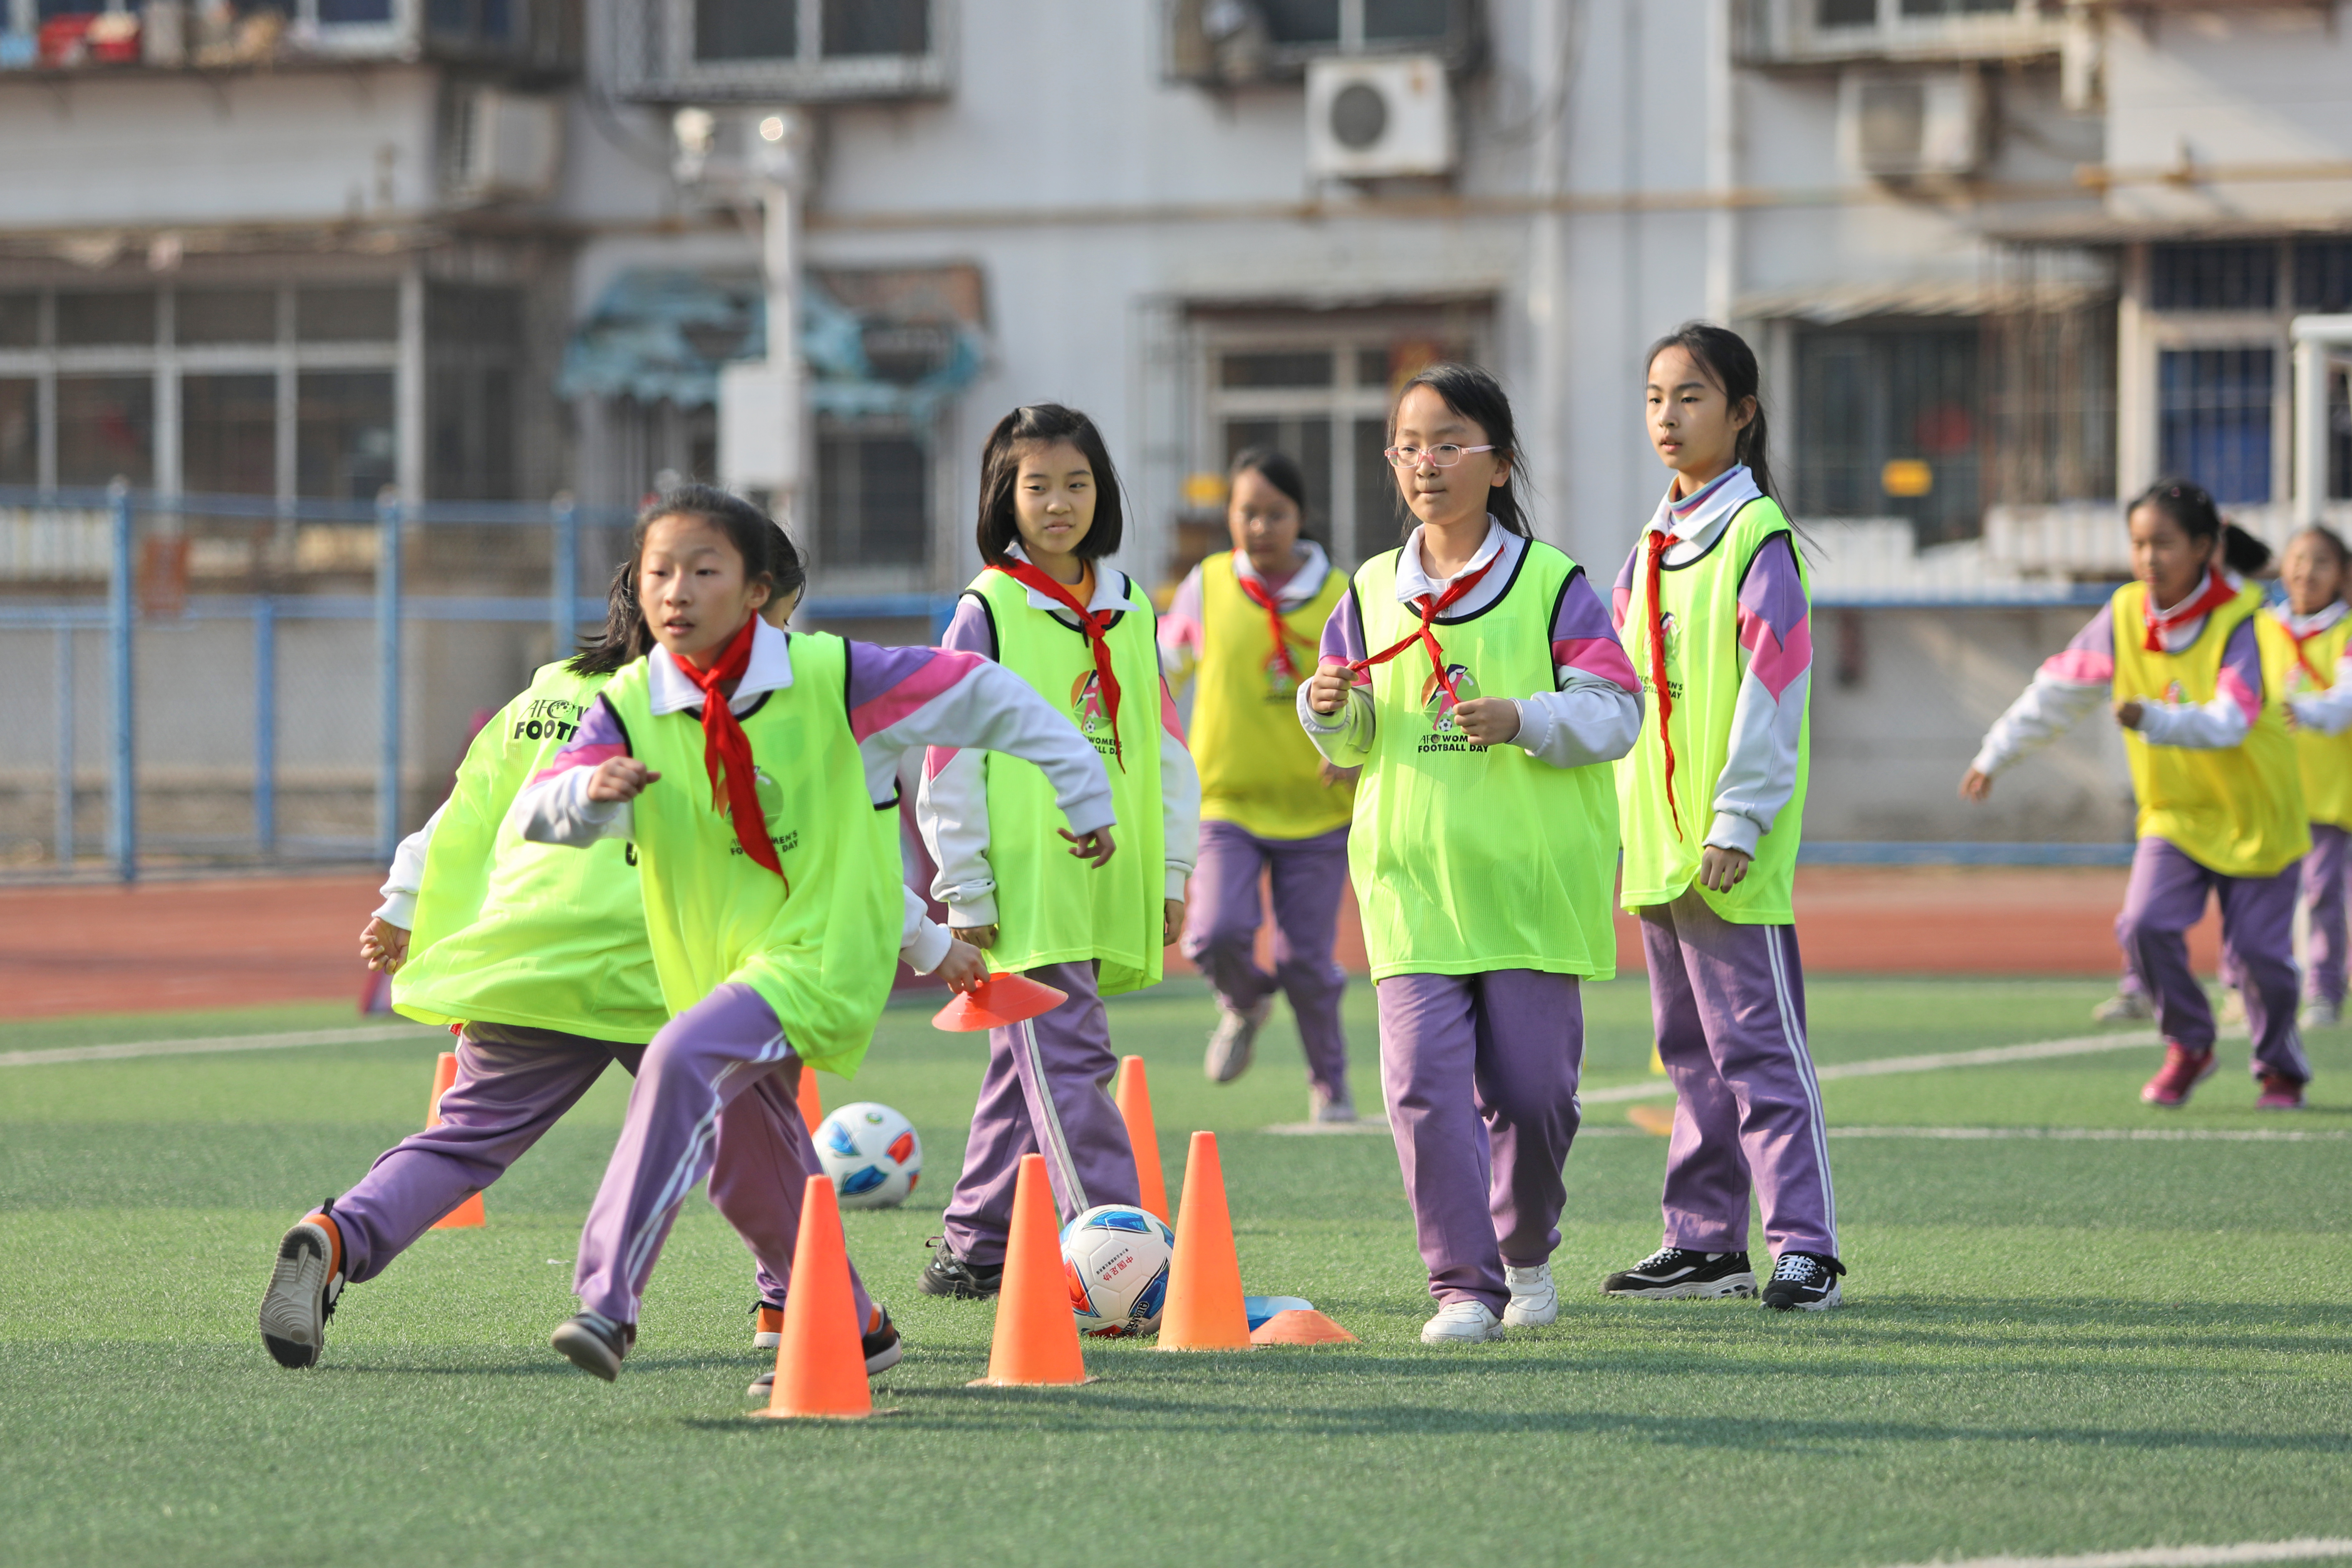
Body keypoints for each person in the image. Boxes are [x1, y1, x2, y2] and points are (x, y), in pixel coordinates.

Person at [257, 519, 989, 1396]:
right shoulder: (697, 713)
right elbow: (812, 865)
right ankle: (821, 1310)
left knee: (463, 1140)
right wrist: (934, 941)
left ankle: (339, 1236)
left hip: (528, 954)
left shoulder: (540, 696)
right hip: (662, 971)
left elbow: (460, 815)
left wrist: (402, 908)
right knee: (757, 1129)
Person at [474, 489, 1113, 1379]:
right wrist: (586, 794)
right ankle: (858, 1329)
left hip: (824, 950)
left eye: (705, 571)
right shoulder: (627, 702)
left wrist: (1084, 794)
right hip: (719, 966)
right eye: (661, 571)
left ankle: (608, 1303)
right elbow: (542, 813)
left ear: (754, 589)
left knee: (675, 1059)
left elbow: (987, 693)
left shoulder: (833, 675)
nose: (678, 592)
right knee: (746, 1172)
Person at [1299, 362, 1640, 1344]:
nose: (1425, 464)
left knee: (1534, 1094)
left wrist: (1524, 718)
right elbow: (1359, 733)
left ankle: (1524, 1249)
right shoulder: (1367, 589)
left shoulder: (1551, 586)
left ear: (1498, 464)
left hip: (1529, 887)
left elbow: (1615, 714)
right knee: (1419, 1090)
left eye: (1448, 444)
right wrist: (1327, 713)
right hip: (1408, 884)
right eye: (1408, 446)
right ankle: (1462, 1283)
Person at [915, 402, 1201, 1298]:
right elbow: (947, 750)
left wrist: (1175, 865)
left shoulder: (1130, 605)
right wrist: (964, 881)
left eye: (1076, 483)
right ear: (1006, 496)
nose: (1058, 502)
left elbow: (1164, 745)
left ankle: (976, 1247)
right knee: (1071, 1057)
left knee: (1026, 1059)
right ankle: (1125, 1269)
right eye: (1036, 486)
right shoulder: (987, 609)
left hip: (1109, 878)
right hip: (1024, 883)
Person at [1599, 323, 1843, 1313]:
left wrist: (1737, 818)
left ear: (1741, 414)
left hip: (1724, 848)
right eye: (1655, 396)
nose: (1667, 415)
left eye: (1690, 396)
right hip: (1658, 845)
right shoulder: (1649, 545)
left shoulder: (1755, 538)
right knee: (1687, 1050)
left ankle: (1805, 1247)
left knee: (1757, 1047)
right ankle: (1704, 1242)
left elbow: (1770, 684)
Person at [1963, 479, 2312, 1110]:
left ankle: (2279, 1065)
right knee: (2143, 925)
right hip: (2175, 814)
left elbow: (2231, 719)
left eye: (2165, 544)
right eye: (2138, 544)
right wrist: (1996, 753)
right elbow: (2058, 689)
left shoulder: (2246, 621)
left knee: (2260, 959)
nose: (2149, 558)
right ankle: (2189, 1042)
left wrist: (2154, 719)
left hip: (2256, 815)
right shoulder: (2124, 614)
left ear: (2206, 547)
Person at [1160, 446, 1359, 1118]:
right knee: (1212, 934)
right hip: (1226, 803)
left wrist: (1357, 748)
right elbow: (1162, 673)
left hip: (1317, 811)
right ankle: (1244, 1001)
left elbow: (1372, 691)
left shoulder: (1341, 595)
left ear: (1300, 516)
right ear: (1228, 515)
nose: (1259, 527)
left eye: (1274, 513)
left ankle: (1329, 1086)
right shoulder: (1207, 584)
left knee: (1307, 962)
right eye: (1247, 512)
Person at [2257, 524, 2352, 1028]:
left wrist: (2307, 712)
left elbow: (2345, 702)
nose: (2305, 571)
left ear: (2341, 575)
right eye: (2297, 559)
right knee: (2256, 894)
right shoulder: (2261, 628)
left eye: (2320, 562)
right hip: (2266, 791)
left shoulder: (2346, 631)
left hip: (2326, 795)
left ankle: (2324, 990)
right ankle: (2247, 984)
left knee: (2321, 894)